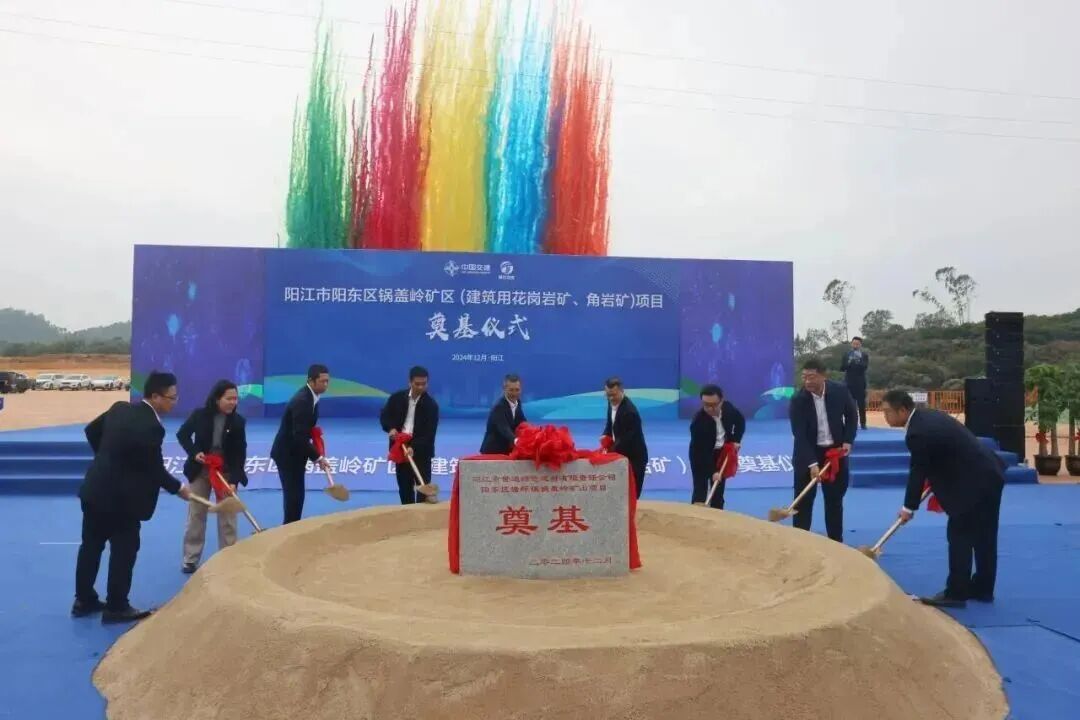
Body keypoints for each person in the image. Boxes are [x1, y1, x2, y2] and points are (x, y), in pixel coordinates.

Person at [73, 371, 192, 623]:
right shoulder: (152, 427)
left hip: (94, 490)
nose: (175, 402)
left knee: (91, 546)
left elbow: (92, 431)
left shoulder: (120, 409)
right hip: (121, 502)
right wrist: (180, 489)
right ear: (155, 396)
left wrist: (107, 459)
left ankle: (83, 600)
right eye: (172, 397)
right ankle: (116, 607)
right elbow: (155, 469)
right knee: (124, 550)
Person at [883, 390, 1006, 608]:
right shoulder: (928, 416)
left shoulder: (917, 432)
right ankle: (983, 588)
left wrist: (908, 508)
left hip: (972, 482)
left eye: (887, 412)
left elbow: (918, 470)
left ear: (902, 410)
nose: (885, 417)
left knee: (959, 535)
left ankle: (956, 593)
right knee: (985, 536)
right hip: (989, 473)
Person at [176, 379, 249, 574]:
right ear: (217, 399)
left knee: (228, 516)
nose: (233, 402)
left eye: (235, 399)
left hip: (225, 473)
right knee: (196, 514)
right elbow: (182, 435)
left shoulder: (238, 422)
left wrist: (234, 480)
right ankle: (190, 559)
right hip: (200, 471)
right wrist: (194, 452)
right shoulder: (199, 415)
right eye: (229, 399)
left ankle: (228, 557)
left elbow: (240, 453)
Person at [789, 358, 858, 542]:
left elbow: (852, 415)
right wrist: (812, 463)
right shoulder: (798, 400)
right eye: (804, 377)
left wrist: (848, 440)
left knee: (834, 500)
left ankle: (835, 542)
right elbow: (799, 434)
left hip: (835, 453)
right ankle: (800, 541)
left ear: (823, 376)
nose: (807, 381)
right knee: (803, 501)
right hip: (807, 453)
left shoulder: (840, 391)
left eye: (811, 377)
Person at [270, 364, 330, 524]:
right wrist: (318, 457)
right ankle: (289, 530)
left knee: (297, 496)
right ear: (311, 380)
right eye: (322, 381)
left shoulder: (312, 397)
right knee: (294, 497)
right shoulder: (302, 401)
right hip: (287, 454)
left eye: (327, 381)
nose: (326, 385)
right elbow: (299, 437)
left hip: (296, 452)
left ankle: (292, 527)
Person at [380, 366, 439, 504]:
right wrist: (390, 428)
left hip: (421, 451)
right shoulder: (396, 398)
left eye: (424, 384)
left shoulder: (431, 406)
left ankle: (422, 516)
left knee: (423, 489)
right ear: (410, 382)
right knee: (405, 488)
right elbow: (385, 416)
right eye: (417, 384)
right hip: (400, 447)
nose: (421, 387)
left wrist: (414, 447)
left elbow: (429, 434)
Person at [689, 384, 745, 509]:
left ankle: (717, 514)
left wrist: (736, 440)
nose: (710, 408)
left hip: (721, 453)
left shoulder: (728, 408)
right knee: (700, 489)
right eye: (706, 405)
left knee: (718, 491)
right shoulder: (698, 423)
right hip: (701, 456)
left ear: (721, 401)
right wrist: (712, 471)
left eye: (714, 405)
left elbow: (740, 421)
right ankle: (696, 515)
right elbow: (701, 453)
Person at [602, 377, 648, 499]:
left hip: (634, 457)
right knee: (619, 492)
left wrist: (611, 450)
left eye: (614, 395)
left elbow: (627, 439)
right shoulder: (611, 403)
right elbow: (610, 423)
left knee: (632, 494)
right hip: (621, 454)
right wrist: (605, 435)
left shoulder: (629, 412)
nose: (611, 398)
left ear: (622, 391)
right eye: (608, 395)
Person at [479, 374, 526, 454]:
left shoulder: (518, 403)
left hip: (507, 450)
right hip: (492, 451)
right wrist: (516, 441)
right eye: (511, 390)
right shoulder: (498, 407)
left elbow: (522, 422)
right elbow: (504, 428)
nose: (514, 393)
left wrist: (535, 433)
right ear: (504, 389)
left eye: (517, 390)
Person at [840, 336, 869, 430]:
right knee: (849, 405)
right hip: (849, 383)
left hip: (860, 383)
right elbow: (842, 368)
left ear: (860, 345)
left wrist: (858, 360)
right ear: (851, 344)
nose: (855, 345)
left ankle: (863, 423)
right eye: (854, 343)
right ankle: (850, 423)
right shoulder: (847, 355)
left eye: (857, 344)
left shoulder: (864, 355)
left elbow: (865, 367)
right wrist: (849, 362)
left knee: (861, 404)